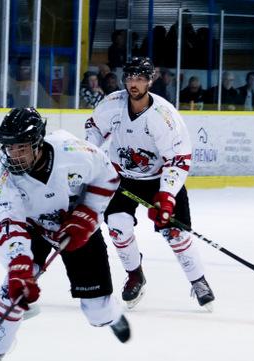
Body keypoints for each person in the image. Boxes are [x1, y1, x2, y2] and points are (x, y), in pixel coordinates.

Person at [0, 107, 130, 361]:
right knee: (13, 291)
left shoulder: (74, 152)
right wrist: (19, 266)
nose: (13, 155)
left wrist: (87, 215)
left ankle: (111, 316)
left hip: (75, 225)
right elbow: (9, 225)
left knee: (96, 312)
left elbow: (108, 178)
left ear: (38, 144)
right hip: (32, 229)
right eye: (9, 148)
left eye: (21, 148)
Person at [86, 57, 214, 311]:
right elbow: (95, 130)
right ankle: (135, 275)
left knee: (176, 234)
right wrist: (90, 159)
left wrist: (166, 196)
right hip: (122, 178)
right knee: (118, 227)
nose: (133, 84)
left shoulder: (164, 116)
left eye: (140, 78)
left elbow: (178, 160)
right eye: (130, 78)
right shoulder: (112, 104)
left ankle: (198, 281)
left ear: (150, 81)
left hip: (158, 179)